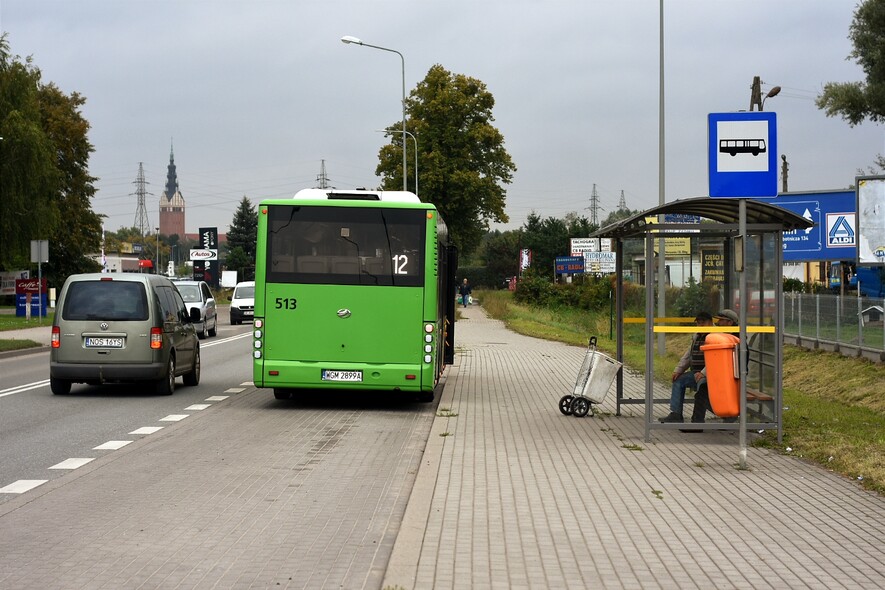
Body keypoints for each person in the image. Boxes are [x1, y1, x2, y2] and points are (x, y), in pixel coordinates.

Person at [660, 311, 714, 424]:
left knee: (702, 386)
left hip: (711, 374)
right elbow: (689, 354)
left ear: (710, 322)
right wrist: (678, 370)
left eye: (702, 323)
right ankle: (676, 414)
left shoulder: (715, 336)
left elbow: (715, 359)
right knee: (679, 380)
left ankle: (699, 418)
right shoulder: (697, 336)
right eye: (698, 323)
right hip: (696, 372)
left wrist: (704, 373)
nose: (700, 326)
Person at [688, 308, 739, 425]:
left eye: (721, 320)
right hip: (721, 374)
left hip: (730, 376)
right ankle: (701, 421)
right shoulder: (724, 336)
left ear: (730, 323)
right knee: (703, 392)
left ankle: (698, 422)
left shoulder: (732, 338)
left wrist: (705, 374)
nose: (718, 323)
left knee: (702, 392)